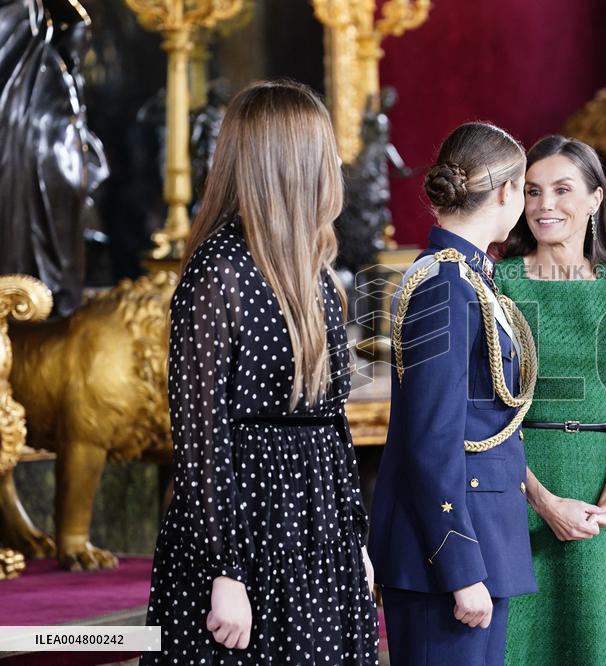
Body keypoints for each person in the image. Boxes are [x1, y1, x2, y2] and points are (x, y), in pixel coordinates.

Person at [142, 80, 378, 665]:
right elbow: (201, 437)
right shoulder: (217, 275)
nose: (336, 169)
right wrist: (226, 571)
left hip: (319, 527)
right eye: (324, 155)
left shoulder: (318, 275)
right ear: (292, 165)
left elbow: (331, 425)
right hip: (247, 527)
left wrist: (355, 537)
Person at [369, 122, 538, 666]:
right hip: (447, 556)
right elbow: (432, 439)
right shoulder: (445, 285)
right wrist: (461, 568)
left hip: (483, 539)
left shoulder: (468, 277)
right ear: (507, 191)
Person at [495, 135, 606, 665]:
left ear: (595, 198)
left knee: (598, 645)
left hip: (598, 496)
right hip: (520, 488)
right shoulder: (502, 283)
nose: (545, 206)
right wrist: (542, 501)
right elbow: (487, 415)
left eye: (562, 190)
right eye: (533, 191)